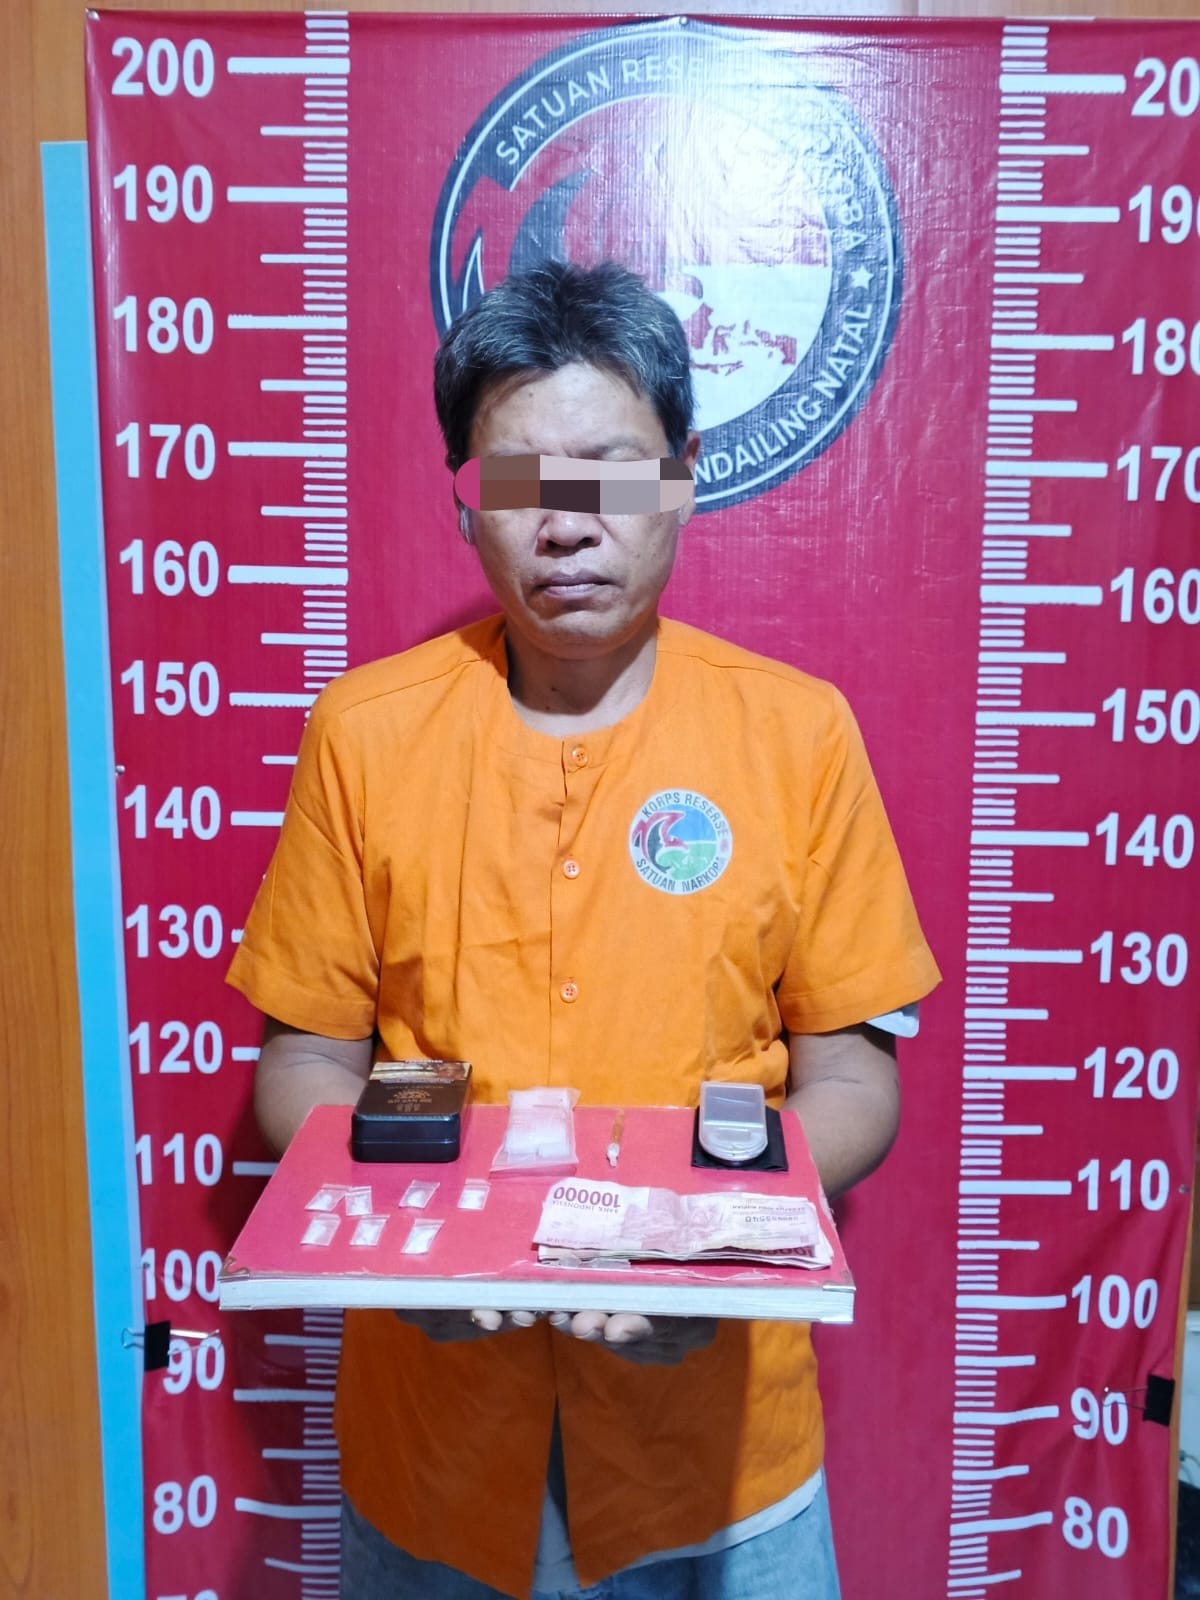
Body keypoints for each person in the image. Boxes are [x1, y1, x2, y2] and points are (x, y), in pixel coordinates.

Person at [226, 259, 940, 1600]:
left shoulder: (797, 736)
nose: (564, 524)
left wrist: (708, 1261)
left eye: (610, 474)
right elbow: (303, 1061)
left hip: (719, 1458)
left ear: (682, 480)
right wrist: (415, 1249)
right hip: (435, 1445)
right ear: (466, 506)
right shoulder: (365, 734)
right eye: (518, 482)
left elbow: (854, 1081)